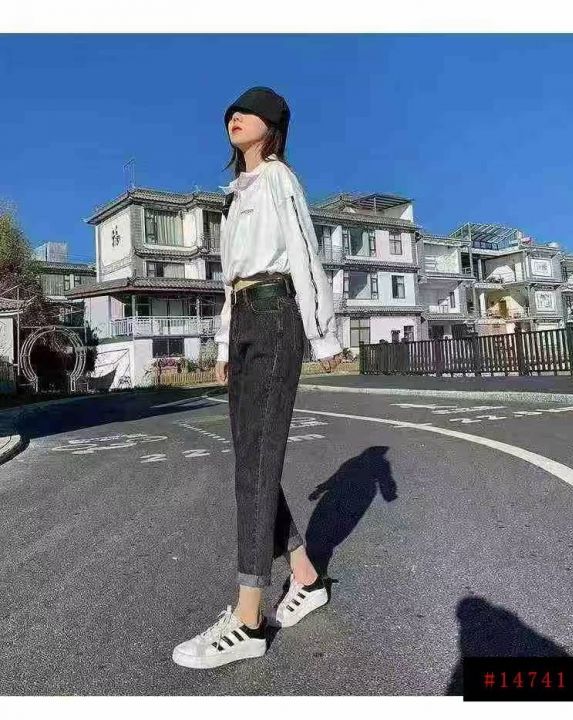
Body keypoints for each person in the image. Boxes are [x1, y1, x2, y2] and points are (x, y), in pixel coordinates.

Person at [172, 86, 343, 670]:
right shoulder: (235, 194)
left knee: (257, 464)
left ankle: (248, 620)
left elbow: (304, 252)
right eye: (231, 112)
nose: (235, 117)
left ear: (273, 126)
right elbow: (229, 281)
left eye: (249, 112)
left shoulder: (277, 179)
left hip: (276, 316)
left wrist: (323, 335)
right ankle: (305, 577)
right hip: (244, 318)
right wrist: (223, 342)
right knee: (250, 460)